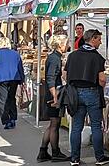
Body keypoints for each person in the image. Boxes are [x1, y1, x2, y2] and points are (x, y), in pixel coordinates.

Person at [64, 29, 109, 165]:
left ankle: (74, 158)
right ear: (92, 39)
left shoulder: (72, 55)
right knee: (96, 126)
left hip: (75, 94)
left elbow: (65, 75)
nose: (101, 42)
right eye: (99, 39)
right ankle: (99, 158)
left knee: (76, 127)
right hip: (91, 92)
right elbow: (102, 79)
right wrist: (102, 85)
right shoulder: (97, 57)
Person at [38, 34, 69, 162]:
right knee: (55, 124)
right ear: (60, 45)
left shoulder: (54, 57)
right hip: (53, 93)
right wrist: (55, 96)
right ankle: (55, 152)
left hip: (51, 92)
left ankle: (43, 151)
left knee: (52, 124)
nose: (67, 45)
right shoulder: (55, 58)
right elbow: (50, 78)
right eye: (66, 43)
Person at [0, 37, 25, 129]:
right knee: (11, 98)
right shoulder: (15, 53)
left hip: (0, 78)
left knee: (2, 100)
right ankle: (13, 119)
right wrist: (22, 79)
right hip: (14, 78)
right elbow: (20, 67)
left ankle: (6, 120)